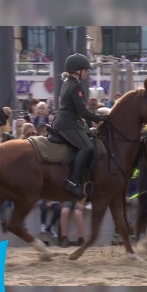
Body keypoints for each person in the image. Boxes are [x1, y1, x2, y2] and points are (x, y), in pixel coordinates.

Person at [52, 53, 110, 199]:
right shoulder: (76, 87)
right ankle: (72, 181)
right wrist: (102, 117)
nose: (87, 73)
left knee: (91, 139)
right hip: (68, 123)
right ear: (78, 70)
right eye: (85, 70)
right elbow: (83, 111)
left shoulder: (67, 83)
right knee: (87, 148)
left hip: (66, 121)